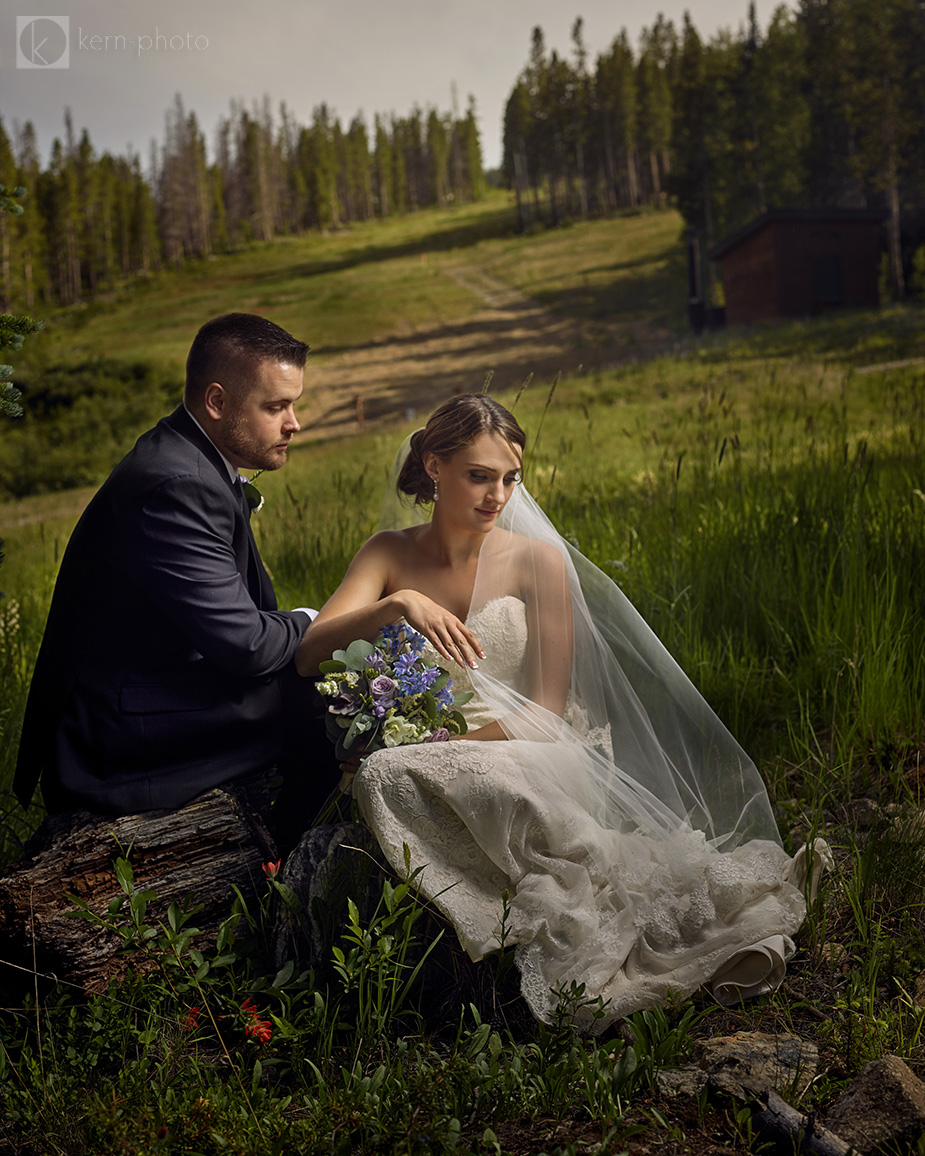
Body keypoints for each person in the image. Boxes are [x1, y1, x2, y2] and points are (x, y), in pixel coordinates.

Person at [297, 393, 829, 1030]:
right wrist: (397, 604)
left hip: (535, 749)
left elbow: (546, 711)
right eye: (478, 476)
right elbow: (309, 655)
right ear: (434, 467)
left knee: (387, 772)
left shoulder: (536, 561)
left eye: (509, 479)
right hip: (431, 747)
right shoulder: (387, 553)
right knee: (388, 772)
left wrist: (437, 750)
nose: (498, 496)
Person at [15, 312, 332, 824]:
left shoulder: (192, 458)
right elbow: (248, 646)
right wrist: (316, 622)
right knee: (330, 703)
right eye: (276, 406)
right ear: (216, 402)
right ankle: (292, 873)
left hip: (154, 691)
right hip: (118, 741)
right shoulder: (176, 485)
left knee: (339, 691)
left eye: (293, 404)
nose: (294, 422)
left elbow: (246, 621)